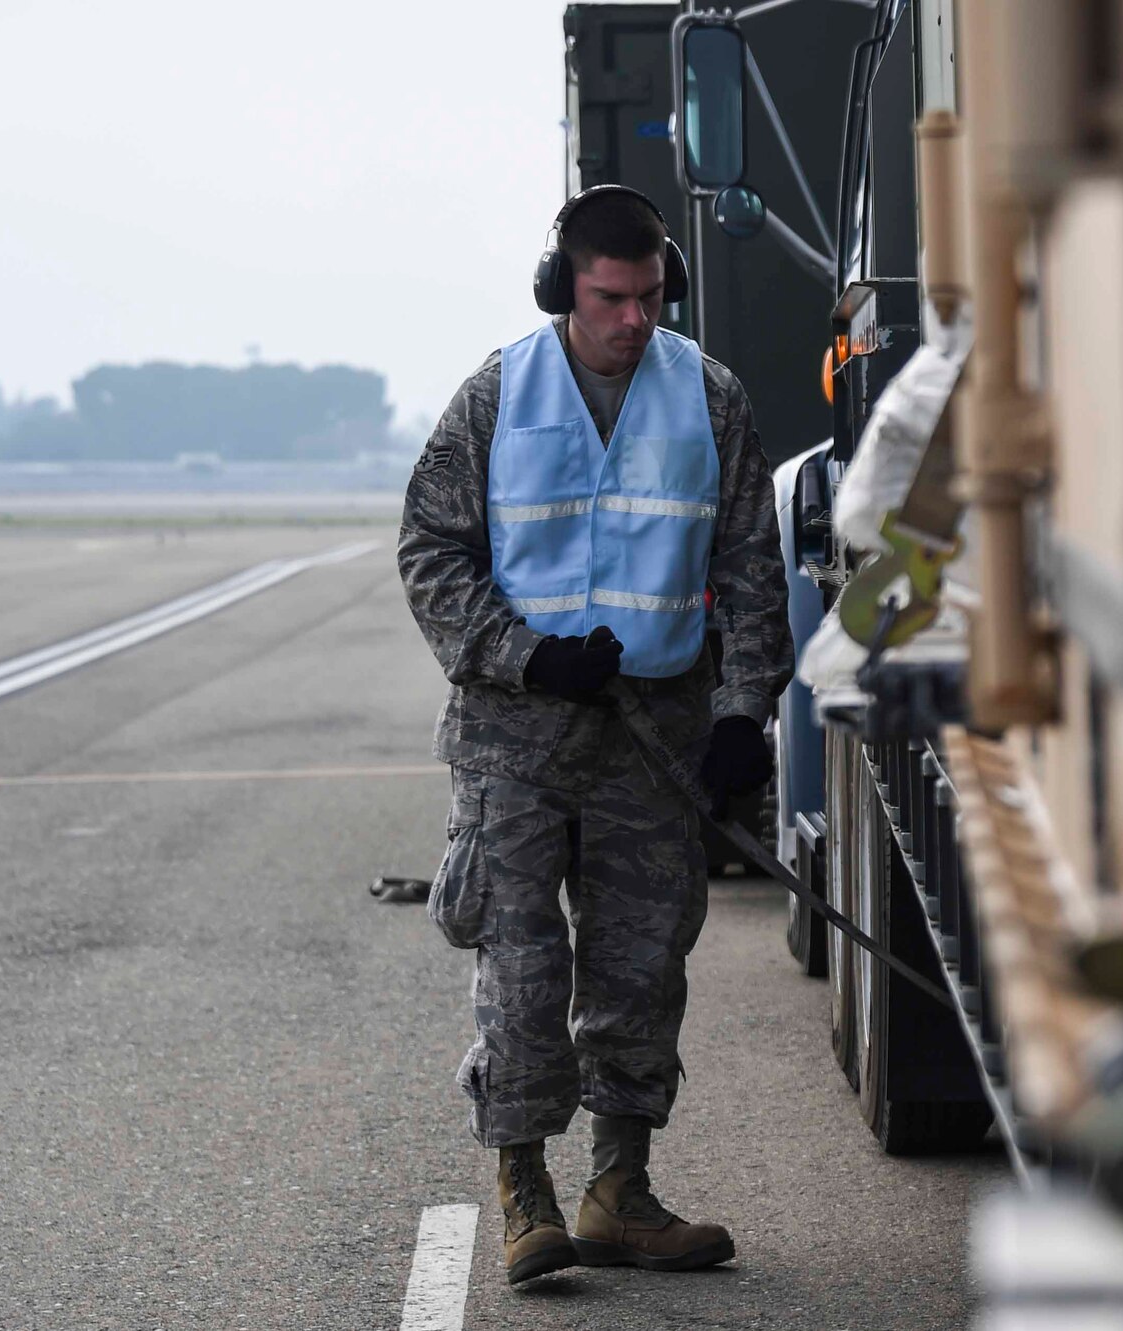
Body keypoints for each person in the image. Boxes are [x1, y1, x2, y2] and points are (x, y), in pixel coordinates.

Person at [397, 185, 791, 1285]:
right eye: (612, 298)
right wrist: (524, 653)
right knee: (520, 970)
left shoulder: (707, 397)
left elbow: (751, 569)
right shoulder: (498, 395)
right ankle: (523, 1185)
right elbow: (430, 551)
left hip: (653, 737)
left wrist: (741, 713)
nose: (634, 320)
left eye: (651, 296)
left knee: (637, 965)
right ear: (561, 288)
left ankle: (619, 1187)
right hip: (516, 735)